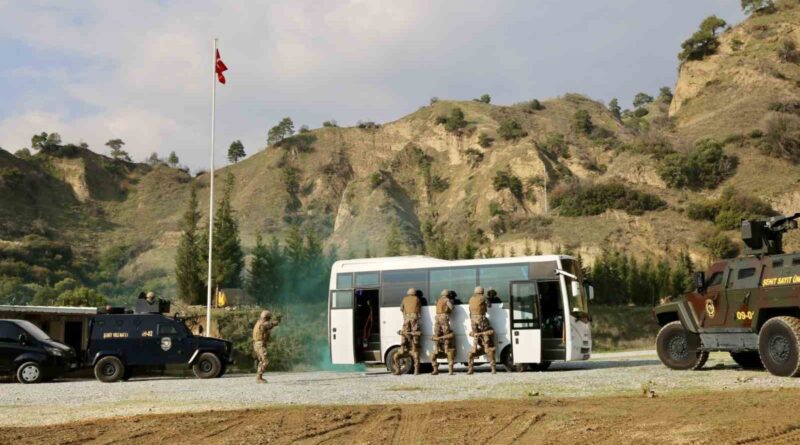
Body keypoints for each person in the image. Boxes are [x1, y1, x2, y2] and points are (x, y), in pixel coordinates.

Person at [468, 286, 496, 374]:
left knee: (476, 335)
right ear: (482, 292)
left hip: (473, 320)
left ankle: (475, 347)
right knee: (485, 336)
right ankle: (493, 369)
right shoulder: (483, 298)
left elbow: (470, 310)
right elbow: (489, 305)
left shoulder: (471, 299)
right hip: (481, 320)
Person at [393, 287, 422, 375]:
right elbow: (419, 309)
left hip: (406, 318)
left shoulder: (404, 299)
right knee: (414, 333)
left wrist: (405, 315)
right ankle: (416, 371)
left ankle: (398, 369)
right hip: (414, 317)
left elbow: (401, 308)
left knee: (405, 333)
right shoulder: (417, 298)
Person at [252, 310, 281, 383]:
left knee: (262, 361)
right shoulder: (263, 324)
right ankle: (259, 378)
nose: (269, 319)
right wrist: (278, 321)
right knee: (265, 361)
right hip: (260, 344)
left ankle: (259, 378)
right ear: (266, 317)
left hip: (257, 344)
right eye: (268, 318)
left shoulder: (258, 323)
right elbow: (270, 325)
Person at [430, 289, 455, 375]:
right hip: (444, 317)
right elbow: (451, 307)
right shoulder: (446, 300)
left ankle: (437, 348)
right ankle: (450, 370)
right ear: (447, 295)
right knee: (447, 334)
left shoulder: (438, 300)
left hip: (437, 317)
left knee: (437, 334)